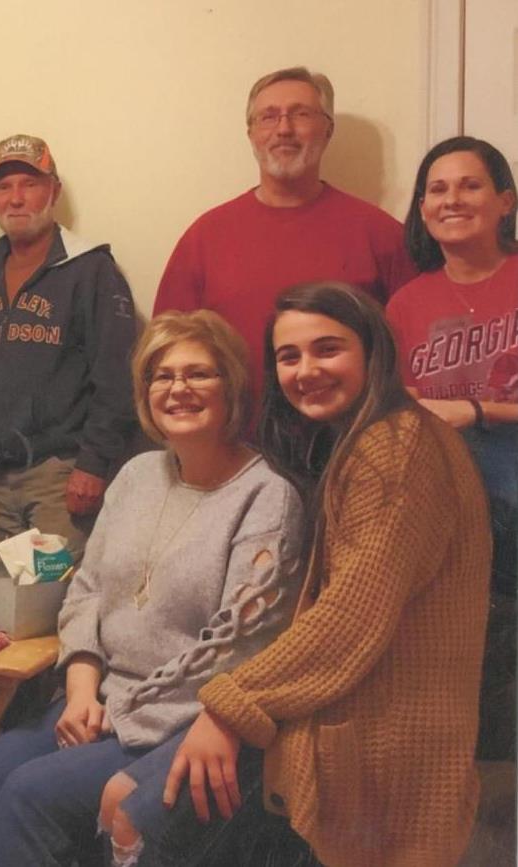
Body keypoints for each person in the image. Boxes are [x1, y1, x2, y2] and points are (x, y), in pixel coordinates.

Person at [0, 310, 305, 867]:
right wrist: (81, 689)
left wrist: (121, 711)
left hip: (183, 719)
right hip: (100, 699)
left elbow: (240, 644)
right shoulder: (137, 475)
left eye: (199, 374)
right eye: (162, 376)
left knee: (28, 796)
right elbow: (87, 590)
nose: (178, 389)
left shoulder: (266, 497)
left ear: (232, 386)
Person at [165, 282, 490, 867]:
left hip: (392, 757)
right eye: (288, 356)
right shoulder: (379, 438)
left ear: (372, 350)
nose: (306, 371)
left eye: (328, 349)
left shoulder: (395, 449)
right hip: (383, 746)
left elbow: (351, 616)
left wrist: (229, 704)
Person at [154, 66, 415, 402]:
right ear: (251, 134)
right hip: (235, 432)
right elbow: (165, 354)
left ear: (327, 130)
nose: (284, 129)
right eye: (268, 117)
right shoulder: (204, 238)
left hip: (353, 431)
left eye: (301, 114)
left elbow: (412, 350)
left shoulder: (380, 234)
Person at [386, 135, 517, 760]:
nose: (452, 199)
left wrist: (476, 411)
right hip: (441, 497)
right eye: (436, 189)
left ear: (505, 201)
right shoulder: (406, 303)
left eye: (470, 185)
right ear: (422, 208)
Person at [0, 133, 139, 555]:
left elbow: (118, 376)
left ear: (53, 191)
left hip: (60, 479)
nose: (16, 198)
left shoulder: (92, 271)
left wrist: (93, 464)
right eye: (3, 186)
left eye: (30, 184)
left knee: (51, 591)